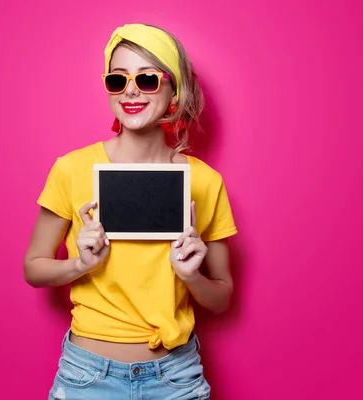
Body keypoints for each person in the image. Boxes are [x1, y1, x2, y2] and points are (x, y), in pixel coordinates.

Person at [24, 23, 238, 400]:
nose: (132, 91)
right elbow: (34, 267)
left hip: (175, 376)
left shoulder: (204, 181)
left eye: (148, 79)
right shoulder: (72, 169)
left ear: (175, 90)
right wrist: (80, 265)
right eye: (117, 80)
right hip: (88, 376)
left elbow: (221, 298)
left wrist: (190, 276)